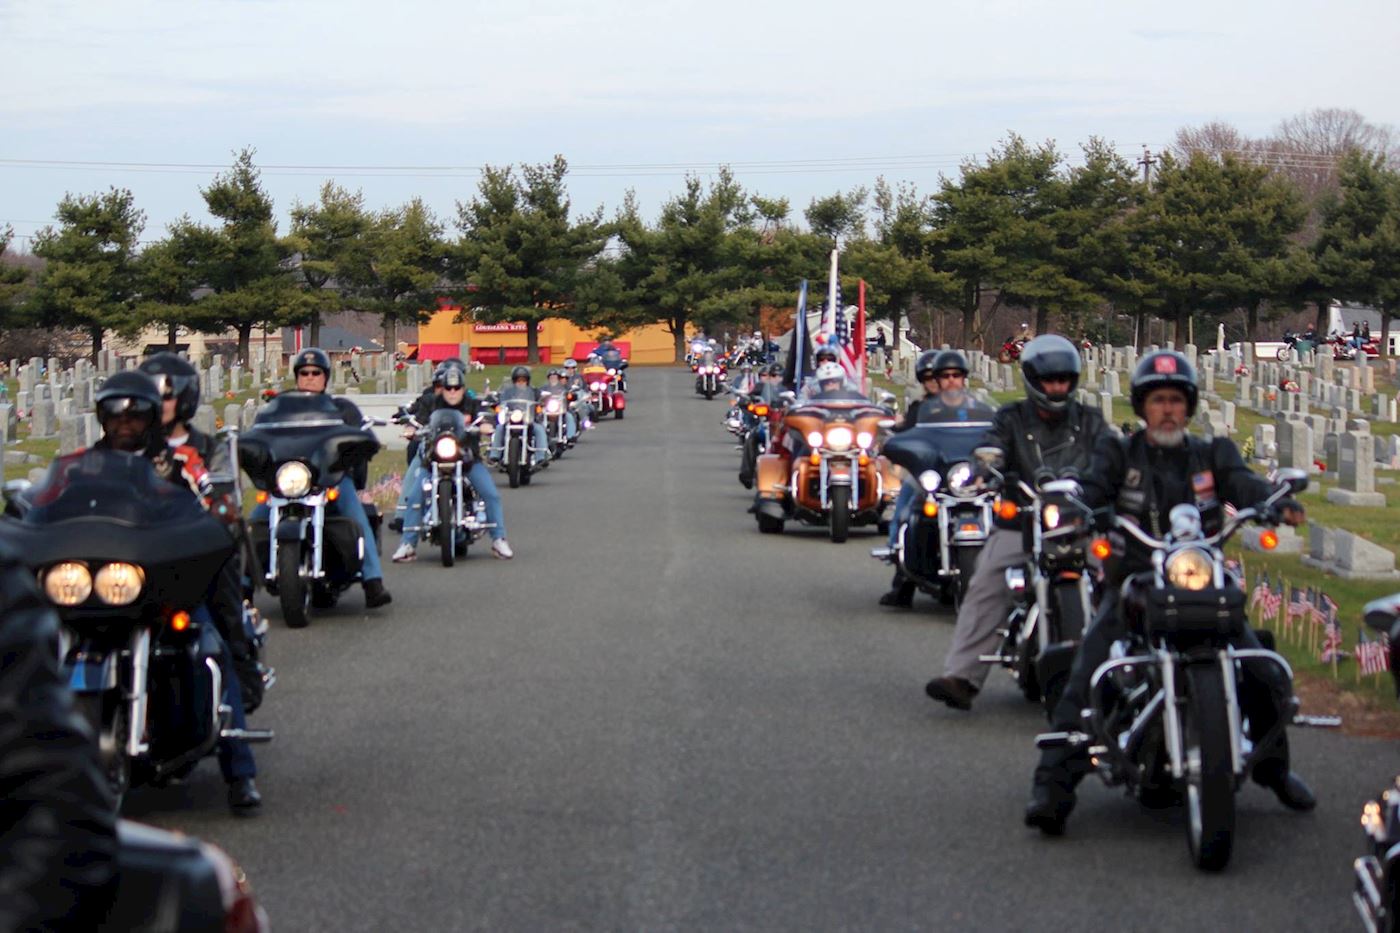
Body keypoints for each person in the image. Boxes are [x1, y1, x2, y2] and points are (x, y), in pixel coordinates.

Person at [1025, 350, 1314, 834]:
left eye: (1176, 400)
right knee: (1089, 667)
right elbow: (1094, 487)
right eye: (1158, 400)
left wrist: (1270, 502)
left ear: (1190, 406)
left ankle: (1274, 769)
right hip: (1136, 581)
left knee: (1261, 666)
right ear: (1142, 407)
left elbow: (1242, 484)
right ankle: (1051, 788)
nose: (1168, 410)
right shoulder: (1120, 453)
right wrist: (1076, 508)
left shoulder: (1212, 454)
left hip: (1203, 580)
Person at [92, 371, 264, 813]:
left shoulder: (181, 458)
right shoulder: (86, 463)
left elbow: (217, 501)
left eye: (136, 415)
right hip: (109, 587)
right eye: (116, 414)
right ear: (103, 418)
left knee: (213, 652)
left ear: (153, 417)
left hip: (168, 586)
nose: (125, 424)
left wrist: (220, 512)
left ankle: (240, 772)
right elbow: (52, 502)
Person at [923, 335, 1108, 708]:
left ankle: (1129, 672)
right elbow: (992, 446)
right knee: (986, 583)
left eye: (1063, 380)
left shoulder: (1090, 421)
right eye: (1048, 380)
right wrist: (987, 467)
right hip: (1023, 521)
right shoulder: (1011, 418)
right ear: (1033, 381)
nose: (1056, 387)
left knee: (1123, 576)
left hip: (1078, 522)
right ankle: (963, 675)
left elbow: (1110, 456)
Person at [0, 539, 118, 929]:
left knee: (213, 616)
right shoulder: (65, 477)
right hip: (83, 566)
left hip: (139, 561)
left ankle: (239, 763)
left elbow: (56, 797)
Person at [139, 353, 263, 713]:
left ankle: (236, 740)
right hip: (136, 553)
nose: (157, 403)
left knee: (218, 628)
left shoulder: (209, 449)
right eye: (149, 394)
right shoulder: (129, 447)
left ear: (186, 397)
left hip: (194, 556)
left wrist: (215, 504)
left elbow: (224, 501)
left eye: (165, 394)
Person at [271, 349, 391, 608]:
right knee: (258, 517)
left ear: (325, 377)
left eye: (316, 373)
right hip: (290, 480)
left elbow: (356, 435)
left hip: (331, 478)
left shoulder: (341, 408)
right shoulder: (280, 408)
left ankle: (373, 581)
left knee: (356, 516)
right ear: (297, 377)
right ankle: (245, 585)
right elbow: (264, 434)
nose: (310, 378)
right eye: (304, 373)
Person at [879, 350, 994, 607]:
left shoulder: (978, 408)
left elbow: (993, 435)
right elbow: (906, 437)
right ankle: (902, 577)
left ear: (964, 379)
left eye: (956, 375)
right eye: (944, 376)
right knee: (907, 510)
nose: (950, 381)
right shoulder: (923, 410)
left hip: (968, 475)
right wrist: (894, 441)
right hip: (930, 473)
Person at [392, 365, 513, 561]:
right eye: (448, 388)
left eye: (457, 388)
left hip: (466, 457)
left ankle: (499, 539)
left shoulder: (472, 403)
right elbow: (419, 419)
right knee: (414, 496)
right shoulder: (433, 403)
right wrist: (410, 427)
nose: (453, 392)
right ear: (443, 388)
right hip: (434, 457)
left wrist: (486, 424)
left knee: (490, 494)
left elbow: (486, 414)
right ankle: (408, 543)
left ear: (463, 388)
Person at [489, 365, 551, 465]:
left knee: (539, 429)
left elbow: (542, 398)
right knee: (499, 428)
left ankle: (541, 457)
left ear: (527, 381)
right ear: (514, 381)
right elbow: (501, 400)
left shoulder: (533, 391)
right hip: (510, 420)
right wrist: (495, 401)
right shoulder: (508, 392)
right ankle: (494, 455)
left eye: (523, 380)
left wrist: (543, 401)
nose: (521, 383)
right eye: (518, 381)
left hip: (528, 420)